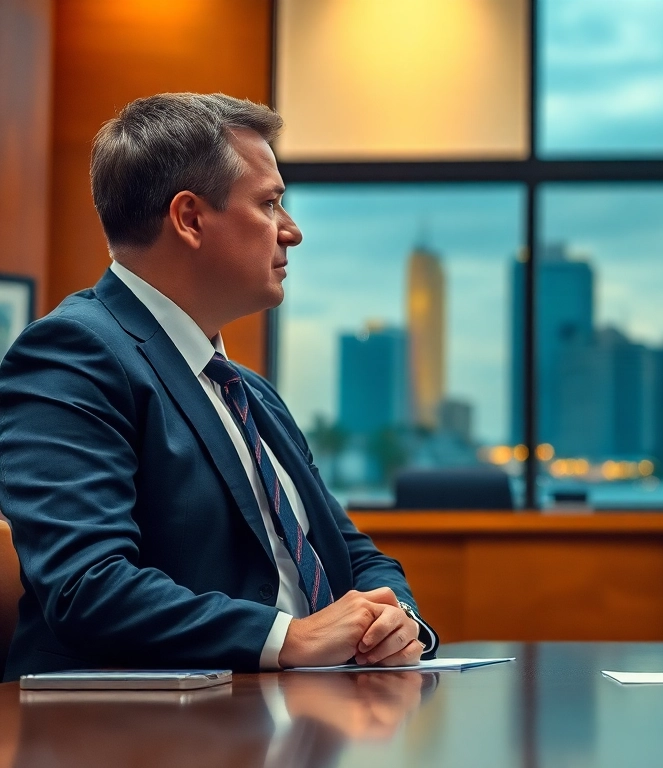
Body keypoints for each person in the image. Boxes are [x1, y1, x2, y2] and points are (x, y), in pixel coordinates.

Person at [0, 93, 437, 681]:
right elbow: (88, 585)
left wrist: (399, 621)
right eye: (270, 203)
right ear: (189, 218)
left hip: (301, 719)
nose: (293, 232)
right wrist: (290, 637)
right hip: (129, 734)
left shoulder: (249, 392)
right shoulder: (72, 353)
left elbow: (354, 554)